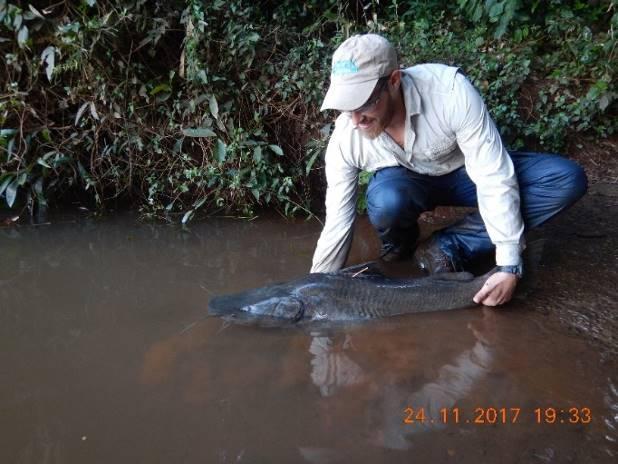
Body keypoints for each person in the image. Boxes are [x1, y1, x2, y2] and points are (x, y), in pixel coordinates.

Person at [310, 33, 587, 306]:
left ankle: (449, 245)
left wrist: (509, 265)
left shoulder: (450, 93)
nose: (356, 119)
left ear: (394, 80)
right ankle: (400, 251)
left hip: (468, 172)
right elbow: (338, 221)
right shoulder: (346, 136)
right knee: (386, 200)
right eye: (347, 107)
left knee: (565, 180)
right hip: (408, 184)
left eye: (365, 103)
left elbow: (493, 177)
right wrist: (314, 289)